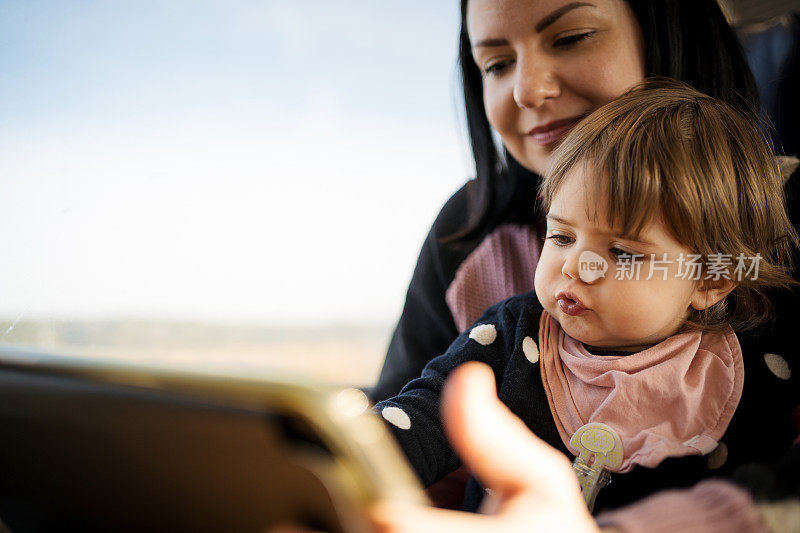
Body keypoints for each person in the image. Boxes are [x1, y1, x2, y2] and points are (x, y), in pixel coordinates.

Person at [373, 80, 800, 529]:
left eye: (622, 252)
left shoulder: (758, 366)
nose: (575, 267)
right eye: (561, 237)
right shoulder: (510, 335)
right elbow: (422, 415)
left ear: (710, 281)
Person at [371, 0, 796, 404]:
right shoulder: (467, 228)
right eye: (498, 65)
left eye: (572, 37)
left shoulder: (788, 213)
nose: (528, 91)